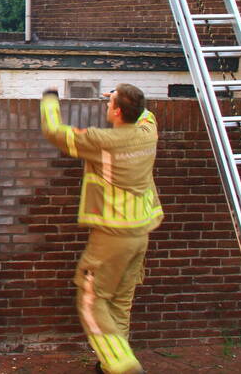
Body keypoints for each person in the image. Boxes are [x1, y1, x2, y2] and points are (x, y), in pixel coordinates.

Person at [40, 83, 163, 374]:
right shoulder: (148, 133)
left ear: (118, 111)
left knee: (91, 299)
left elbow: (54, 132)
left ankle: (123, 366)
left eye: (111, 104)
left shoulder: (101, 141)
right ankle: (110, 365)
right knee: (120, 301)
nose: (107, 107)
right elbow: (147, 115)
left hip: (111, 237)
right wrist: (124, 97)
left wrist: (49, 99)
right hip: (140, 233)